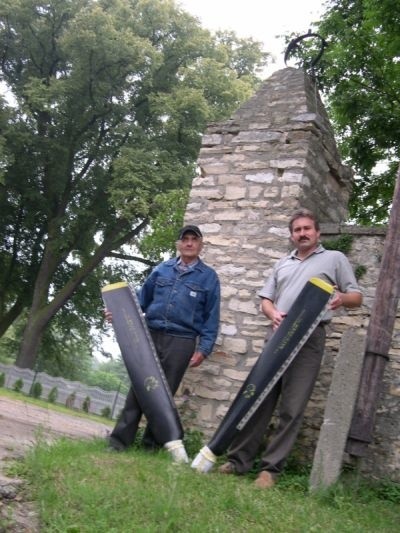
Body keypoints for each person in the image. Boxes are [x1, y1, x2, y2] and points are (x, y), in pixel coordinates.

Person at [219, 208, 363, 487]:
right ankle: (238, 462)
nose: (302, 233)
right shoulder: (282, 263)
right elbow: (265, 299)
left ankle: (270, 470)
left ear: (318, 232)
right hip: (277, 337)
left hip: (310, 339)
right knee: (258, 399)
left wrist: (341, 299)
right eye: (297, 230)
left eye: (307, 228)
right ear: (291, 235)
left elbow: (356, 296)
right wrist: (272, 313)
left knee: (292, 407)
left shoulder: (335, 259)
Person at [107, 224, 220, 451]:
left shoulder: (209, 278)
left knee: (164, 394)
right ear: (178, 244)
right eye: (185, 239)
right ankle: (118, 443)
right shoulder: (161, 270)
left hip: (182, 341)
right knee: (139, 387)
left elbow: (211, 318)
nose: (189, 243)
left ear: (200, 244)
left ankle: (151, 446)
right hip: (150, 335)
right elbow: (139, 301)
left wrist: (204, 348)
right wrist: (117, 314)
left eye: (193, 239)